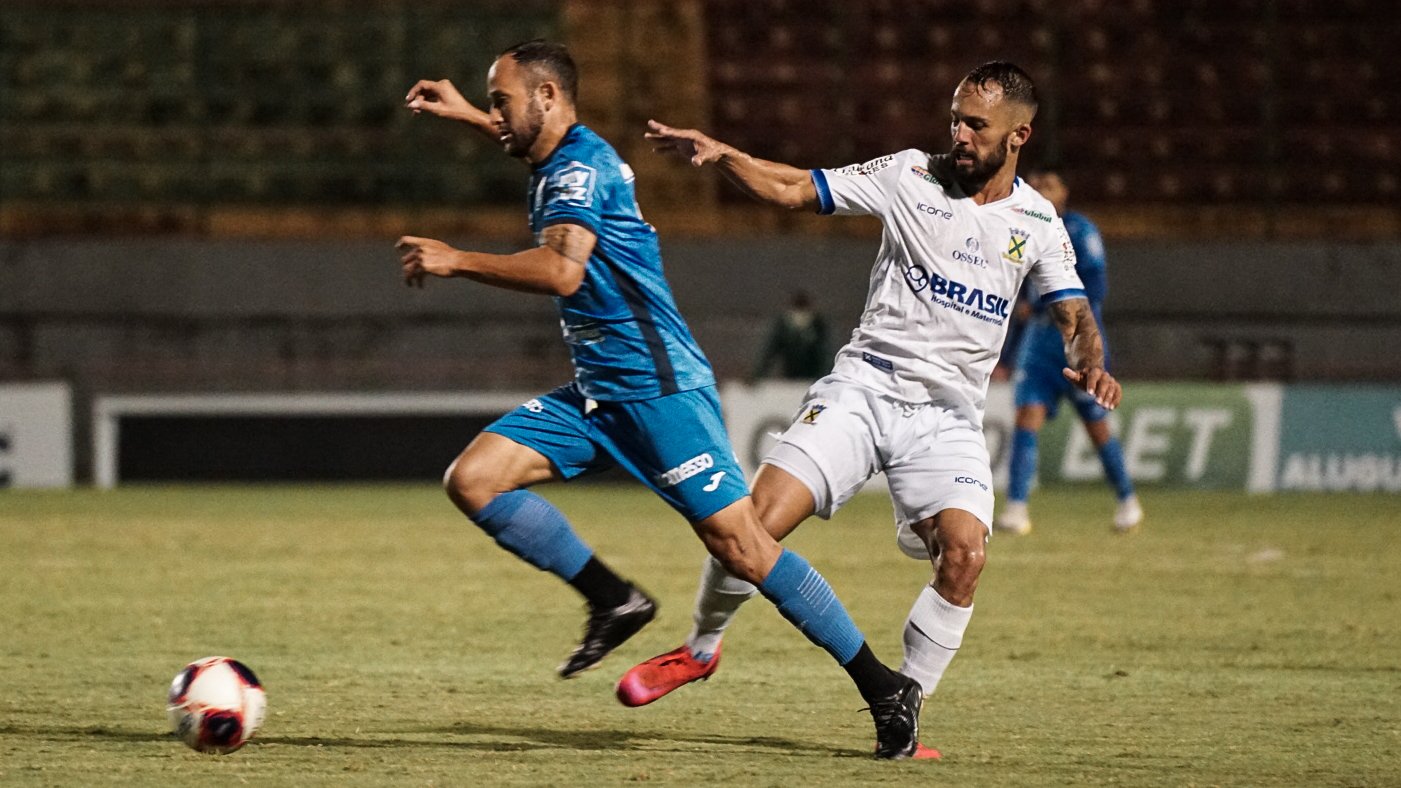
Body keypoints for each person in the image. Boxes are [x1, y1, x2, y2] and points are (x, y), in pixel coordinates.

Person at [397, 40, 925, 759]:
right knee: (475, 478)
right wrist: (464, 111)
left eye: (501, 99)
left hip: (656, 390)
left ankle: (881, 686)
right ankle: (613, 599)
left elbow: (560, 270)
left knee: (743, 547)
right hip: (598, 392)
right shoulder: (557, 155)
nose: (497, 114)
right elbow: (518, 145)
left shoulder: (578, 168)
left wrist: (457, 259)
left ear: (547, 98)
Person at [616, 62, 1121, 755]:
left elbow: (1072, 310)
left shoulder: (1036, 221)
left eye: (976, 124)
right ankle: (700, 649)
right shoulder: (909, 175)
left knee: (965, 555)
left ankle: (903, 706)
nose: (959, 134)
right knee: (751, 524)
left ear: (1018, 135)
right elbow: (797, 187)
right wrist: (724, 155)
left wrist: (1089, 358)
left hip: (946, 415)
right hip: (863, 387)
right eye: (955, 118)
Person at [996, 166, 1142, 534]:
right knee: (1025, 417)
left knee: (1097, 427)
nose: (1042, 189)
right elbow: (1013, 288)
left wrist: (1050, 309)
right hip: (1038, 344)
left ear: (1064, 192)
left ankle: (1127, 499)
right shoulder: (1020, 228)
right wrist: (1008, 354)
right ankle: (1016, 507)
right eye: (1037, 183)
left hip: (1075, 338)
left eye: (1050, 184)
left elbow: (1093, 291)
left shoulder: (1080, 231)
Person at [751, 290, 831, 381]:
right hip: (791, 377)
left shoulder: (818, 325)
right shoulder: (784, 326)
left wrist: (826, 377)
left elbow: (826, 353)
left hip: (814, 378)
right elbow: (769, 351)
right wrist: (757, 374)